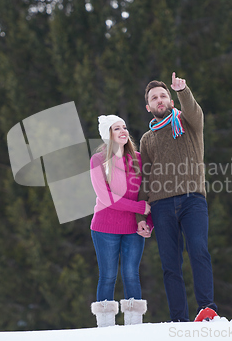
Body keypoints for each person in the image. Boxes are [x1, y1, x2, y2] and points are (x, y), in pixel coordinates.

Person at [136, 72, 218, 322]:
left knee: (198, 249)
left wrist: (183, 91)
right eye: (154, 98)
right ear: (148, 107)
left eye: (163, 96)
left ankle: (207, 308)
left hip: (193, 199)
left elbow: (195, 111)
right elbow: (145, 177)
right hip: (161, 205)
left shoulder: (188, 122)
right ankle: (178, 319)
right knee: (170, 264)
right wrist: (142, 215)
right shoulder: (147, 140)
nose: (160, 100)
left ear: (171, 101)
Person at [89, 115, 153, 327]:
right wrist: (138, 208)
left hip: (133, 228)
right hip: (105, 227)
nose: (123, 131)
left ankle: (134, 326)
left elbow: (147, 194)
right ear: (108, 135)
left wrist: (148, 221)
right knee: (108, 275)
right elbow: (106, 198)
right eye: (117, 128)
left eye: (124, 127)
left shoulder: (138, 159)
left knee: (131, 274)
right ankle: (105, 328)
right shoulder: (98, 161)